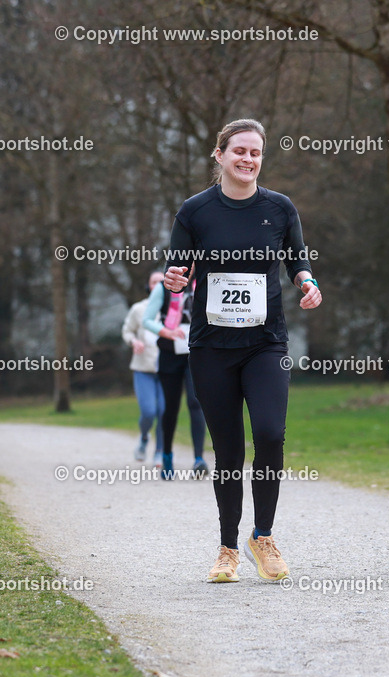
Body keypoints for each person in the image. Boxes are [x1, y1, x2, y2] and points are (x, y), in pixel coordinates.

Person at [162, 118, 321, 583]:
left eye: (255, 152)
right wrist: (175, 279)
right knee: (228, 448)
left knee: (270, 433)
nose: (248, 159)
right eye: (239, 152)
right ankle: (228, 547)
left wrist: (307, 282)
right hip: (212, 346)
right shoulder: (195, 211)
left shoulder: (279, 207)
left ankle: (264, 536)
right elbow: (178, 269)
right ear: (220, 155)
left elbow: (298, 259)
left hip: (265, 343)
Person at [143, 270, 208, 478]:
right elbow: (147, 320)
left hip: (195, 355)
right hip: (170, 354)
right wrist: (166, 332)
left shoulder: (204, 284)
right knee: (170, 408)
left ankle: (199, 459)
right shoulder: (163, 287)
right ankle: (168, 454)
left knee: (195, 402)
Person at [122, 270, 165, 464]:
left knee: (164, 411)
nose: (158, 285)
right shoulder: (139, 309)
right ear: (149, 286)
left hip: (166, 370)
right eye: (154, 282)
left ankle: (159, 450)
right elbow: (127, 331)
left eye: (162, 282)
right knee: (149, 411)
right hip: (143, 369)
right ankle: (144, 437)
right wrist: (133, 342)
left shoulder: (172, 310)